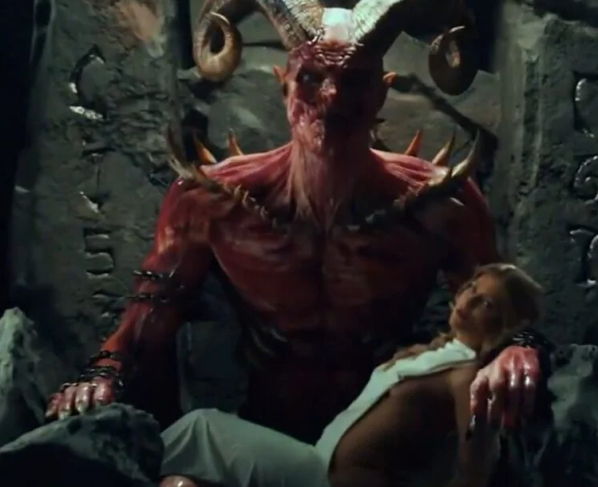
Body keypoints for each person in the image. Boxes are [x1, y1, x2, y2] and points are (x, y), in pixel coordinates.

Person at [159, 263, 544, 487]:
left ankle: (132, 453)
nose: (468, 300)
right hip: (317, 462)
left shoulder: (467, 376)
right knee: (191, 467)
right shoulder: (432, 352)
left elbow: (474, 471)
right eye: (471, 287)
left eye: (486, 303)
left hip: (330, 481)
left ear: (505, 320)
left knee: (202, 428)